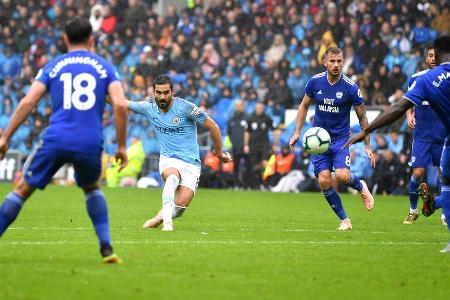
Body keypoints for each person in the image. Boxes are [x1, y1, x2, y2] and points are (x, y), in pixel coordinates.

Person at [0, 17, 128, 263]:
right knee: (91, 188)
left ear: (65, 39)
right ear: (91, 40)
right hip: (90, 141)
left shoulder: (53, 66)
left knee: (22, 190)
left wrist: (6, 137)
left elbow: (29, 101)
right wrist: (121, 146)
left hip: (57, 138)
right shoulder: (105, 66)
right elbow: (120, 104)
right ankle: (107, 247)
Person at [345, 35, 450, 253]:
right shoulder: (419, 78)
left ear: (437, 55)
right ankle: (430, 205)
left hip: (446, 139)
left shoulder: (429, 80)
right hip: (431, 136)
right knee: (443, 179)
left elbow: (396, 109)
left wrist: (366, 130)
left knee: (446, 180)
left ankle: (435, 203)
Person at [120, 75, 231, 231]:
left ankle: (159, 217)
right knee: (172, 177)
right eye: (159, 92)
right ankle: (167, 224)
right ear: (153, 92)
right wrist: (98, 93)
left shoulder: (186, 108)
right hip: (168, 159)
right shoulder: (148, 108)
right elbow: (120, 102)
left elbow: (213, 126)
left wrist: (219, 153)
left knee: (180, 207)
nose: (162, 96)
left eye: (166, 92)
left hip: (191, 162)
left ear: (172, 91)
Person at [289, 46, 376, 231]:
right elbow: (304, 106)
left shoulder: (351, 87)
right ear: (325, 62)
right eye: (332, 61)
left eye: (339, 61)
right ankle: (345, 220)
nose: (336, 65)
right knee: (324, 180)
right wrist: (297, 132)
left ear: (343, 63)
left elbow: (362, 117)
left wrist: (367, 145)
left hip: (340, 140)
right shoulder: (314, 82)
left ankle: (361, 187)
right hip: (318, 140)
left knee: (343, 176)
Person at [403, 47, 448, 225]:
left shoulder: (447, 78)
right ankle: (412, 211)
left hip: (443, 135)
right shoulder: (416, 78)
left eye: (436, 55)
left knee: (444, 175)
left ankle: (445, 213)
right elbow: (407, 101)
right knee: (418, 172)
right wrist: (409, 115)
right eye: (430, 55)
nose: (433, 58)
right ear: (426, 59)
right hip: (422, 135)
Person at [244, 102, 273, 190]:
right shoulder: (250, 118)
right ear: (255, 108)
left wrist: (275, 143)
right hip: (253, 145)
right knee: (254, 165)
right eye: (258, 107)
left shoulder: (267, 118)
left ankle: (265, 184)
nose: (259, 109)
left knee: (265, 164)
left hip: (264, 145)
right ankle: (256, 185)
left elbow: (274, 130)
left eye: (261, 107)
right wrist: (246, 145)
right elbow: (247, 132)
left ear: (263, 108)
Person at [227, 100, 249, 189]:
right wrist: (234, 142)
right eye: (237, 106)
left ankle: (246, 185)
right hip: (235, 147)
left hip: (245, 147)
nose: (238, 107)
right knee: (235, 167)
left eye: (240, 105)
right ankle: (236, 184)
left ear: (243, 106)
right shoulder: (232, 119)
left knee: (247, 167)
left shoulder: (248, 118)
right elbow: (230, 133)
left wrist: (246, 144)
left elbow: (249, 132)